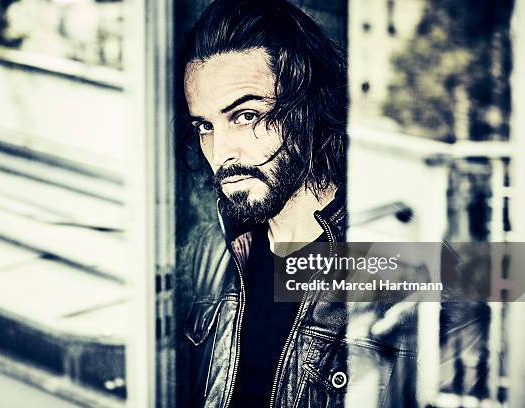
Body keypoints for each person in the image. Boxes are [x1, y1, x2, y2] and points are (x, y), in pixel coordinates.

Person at [178, 1, 489, 407]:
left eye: (246, 115)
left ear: (307, 107)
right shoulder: (208, 253)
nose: (220, 153)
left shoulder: (406, 270)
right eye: (205, 126)